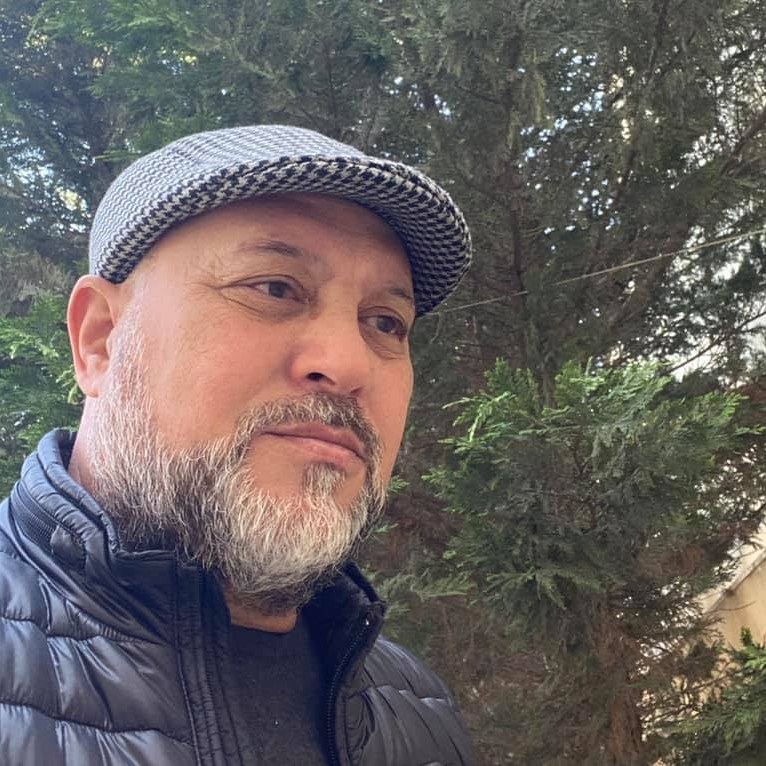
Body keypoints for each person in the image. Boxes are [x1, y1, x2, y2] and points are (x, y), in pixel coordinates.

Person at [0, 125, 474, 765]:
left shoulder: (418, 710)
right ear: (101, 339)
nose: (347, 362)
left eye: (386, 322)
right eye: (275, 288)